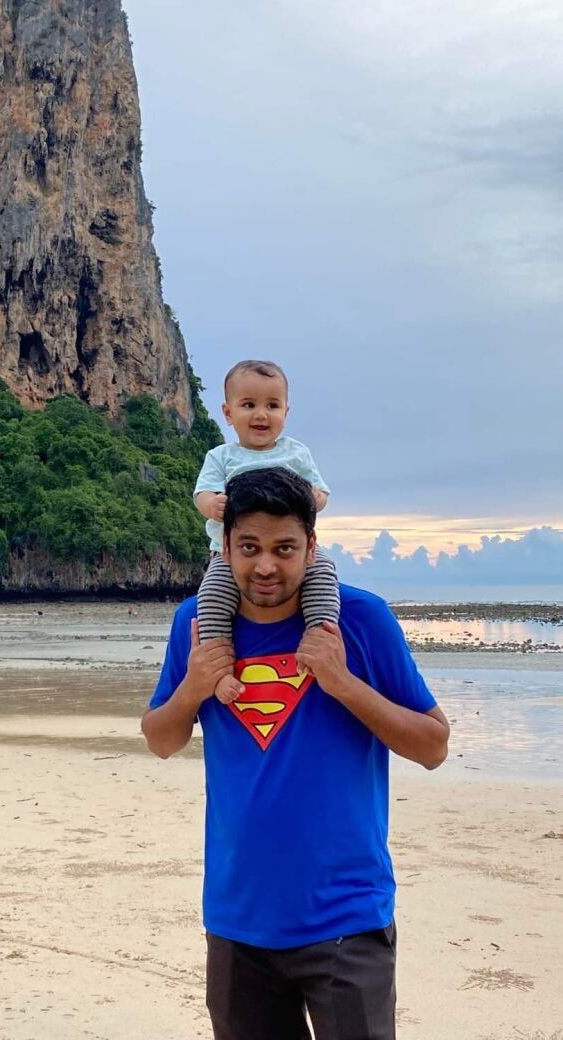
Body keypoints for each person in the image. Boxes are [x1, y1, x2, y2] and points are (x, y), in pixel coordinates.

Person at [142, 468, 449, 1040]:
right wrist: (192, 688)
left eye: (284, 549)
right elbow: (161, 740)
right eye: (249, 548)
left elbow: (433, 746)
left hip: (346, 920)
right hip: (238, 920)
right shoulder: (198, 626)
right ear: (225, 546)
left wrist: (343, 682)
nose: (265, 567)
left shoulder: (358, 621)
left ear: (311, 546)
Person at [195, 360, 339, 704]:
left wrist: (315, 497)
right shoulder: (221, 456)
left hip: (298, 555)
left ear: (285, 412)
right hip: (227, 556)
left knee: (323, 575)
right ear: (228, 413)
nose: (261, 414)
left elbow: (319, 493)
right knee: (212, 598)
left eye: (272, 406)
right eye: (249, 405)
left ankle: (319, 639)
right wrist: (212, 504)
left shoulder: (296, 453)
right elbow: (201, 493)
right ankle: (218, 671)